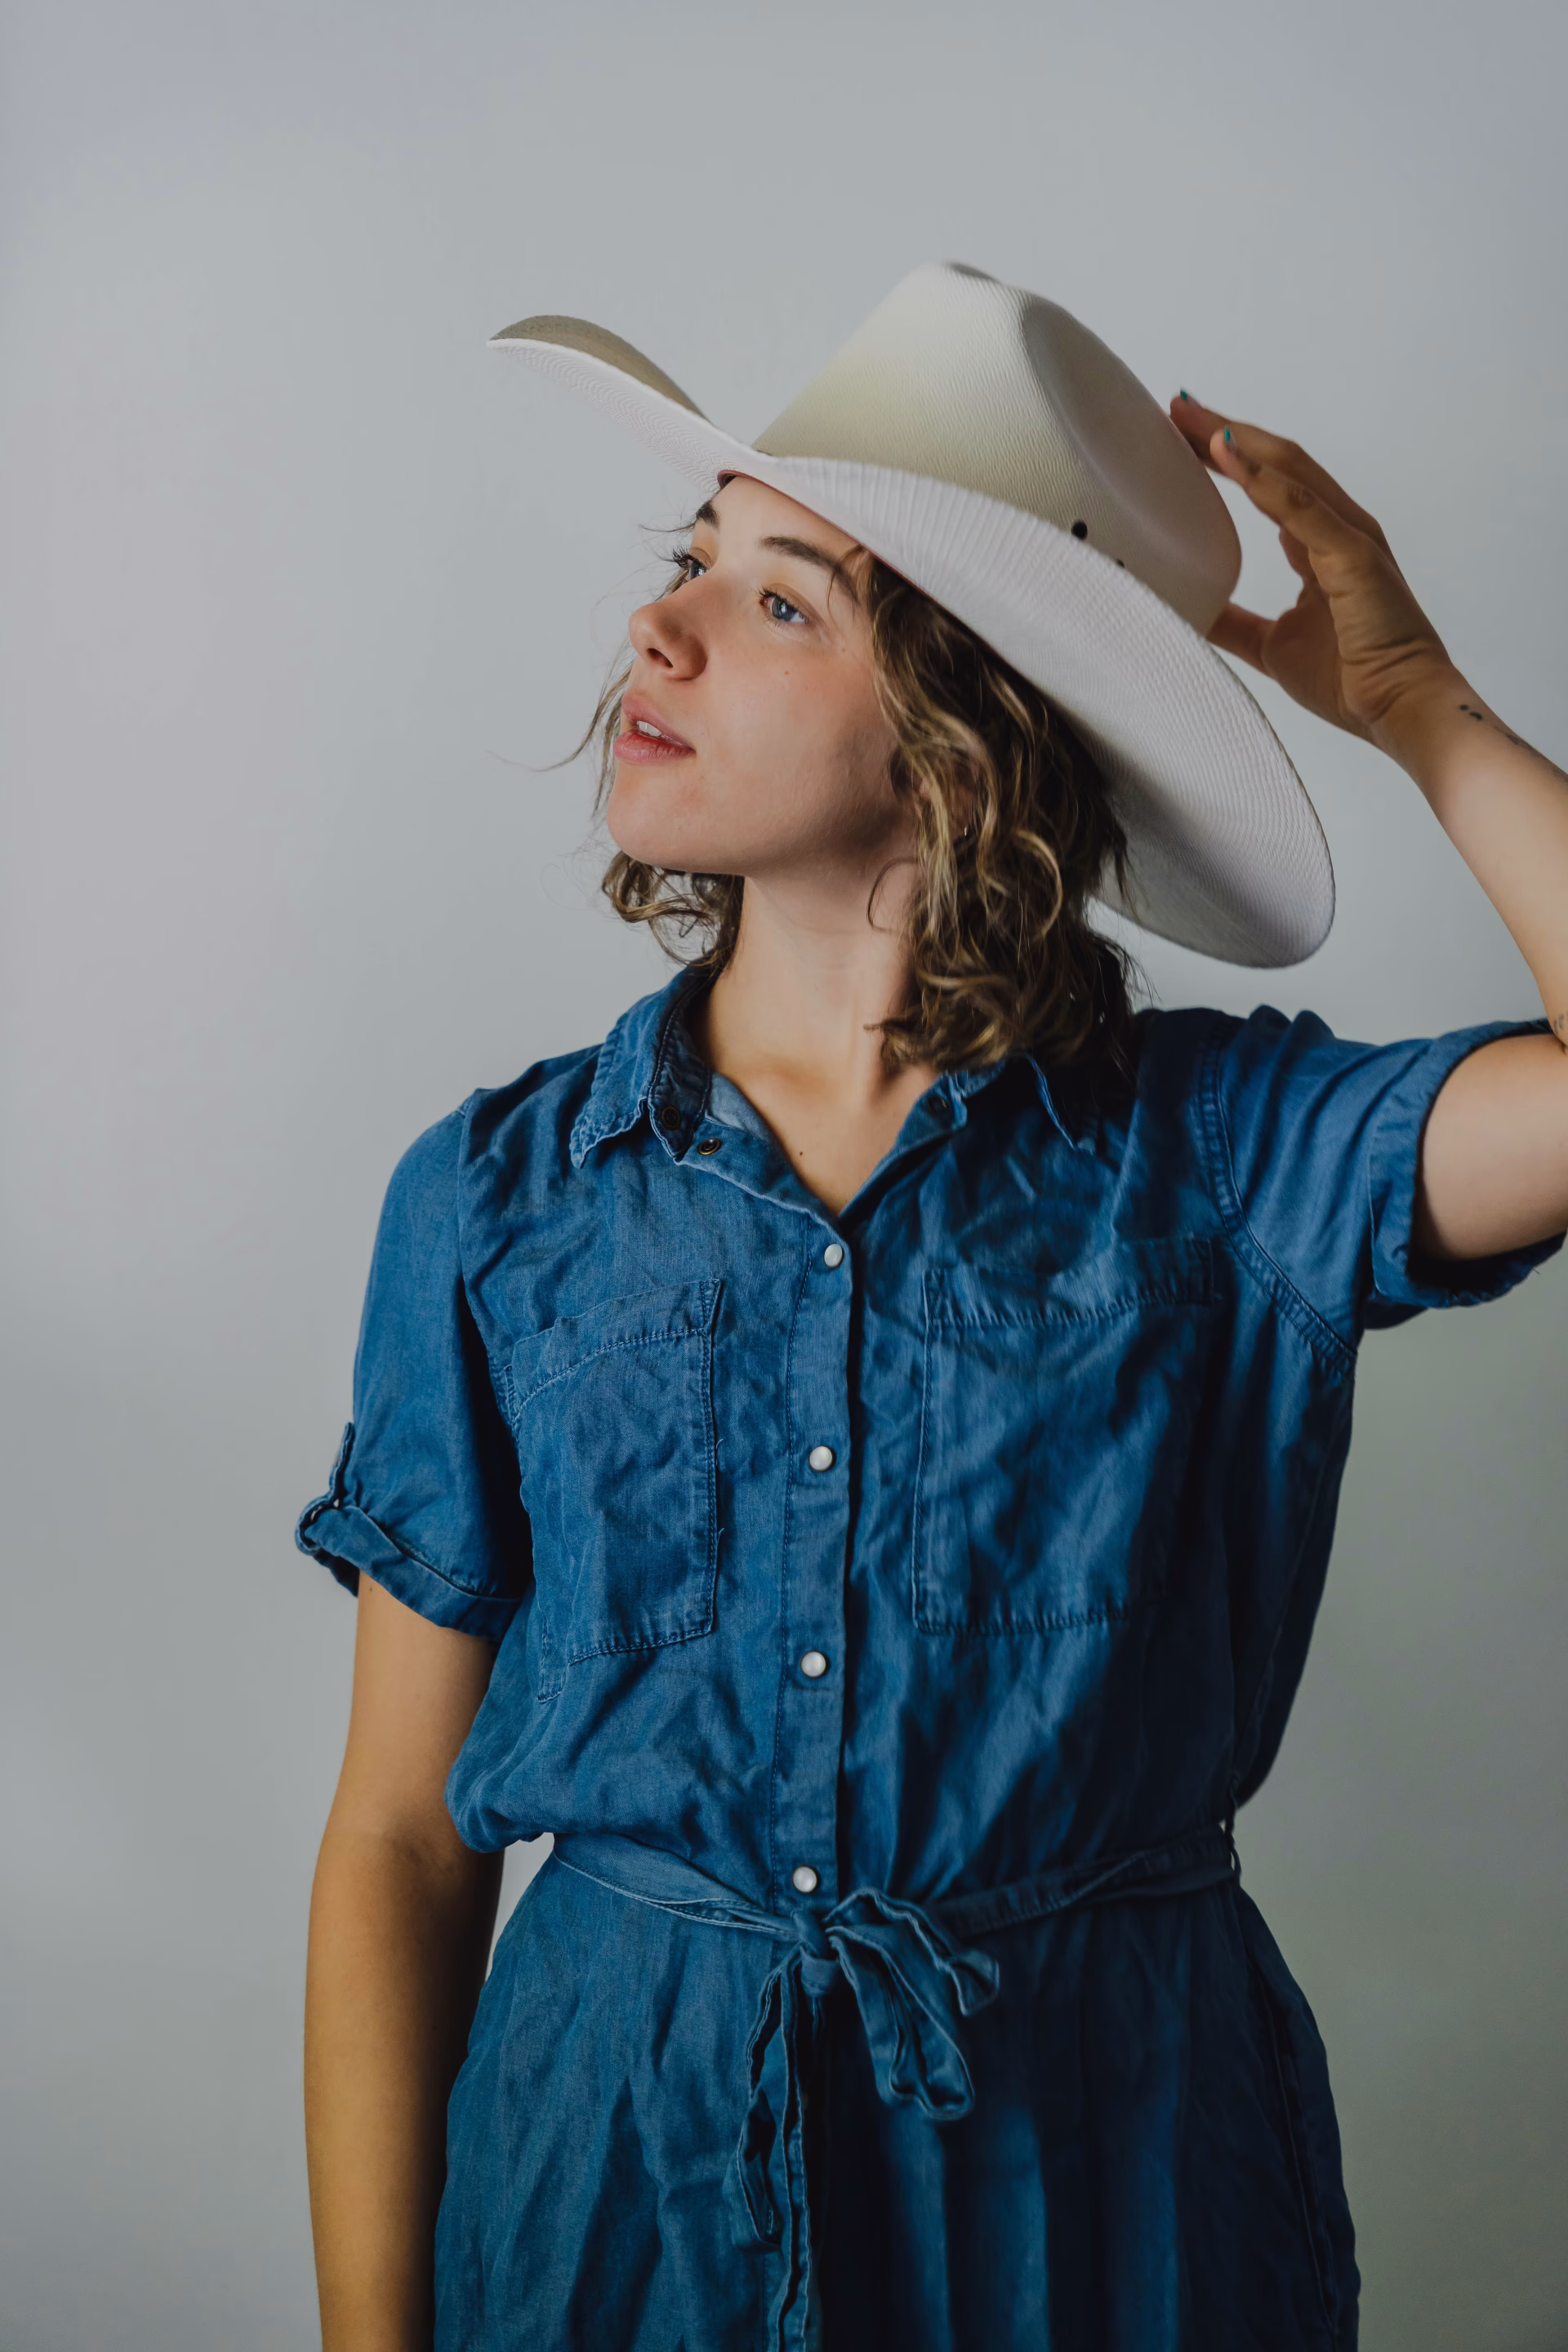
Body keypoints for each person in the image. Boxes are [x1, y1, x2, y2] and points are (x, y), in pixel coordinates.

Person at [296, 265, 1567, 2351]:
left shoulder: (1226, 1155)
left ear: (971, 733)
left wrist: (1419, 699)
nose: (663, 627)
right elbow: (399, 1845)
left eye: (784, 600)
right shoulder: (498, 1197)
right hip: (611, 2202)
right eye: (692, 557)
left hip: (1109, 2202)